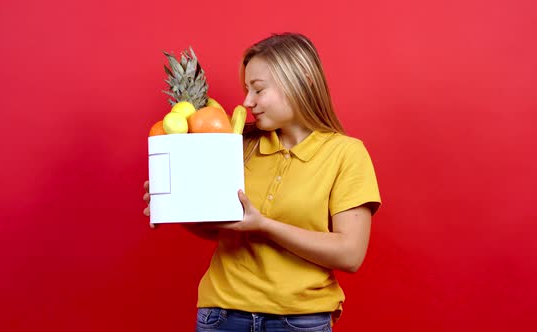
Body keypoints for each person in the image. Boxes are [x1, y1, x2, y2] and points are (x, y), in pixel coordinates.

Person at [143, 32, 381, 332]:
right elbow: (222, 227)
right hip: (222, 315)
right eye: (246, 89)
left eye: (258, 90)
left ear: (302, 80)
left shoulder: (346, 154)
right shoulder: (236, 143)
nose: (247, 102)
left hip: (299, 320)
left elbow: (350, 254)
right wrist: (174, 205)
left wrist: (265, 225)